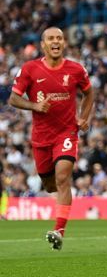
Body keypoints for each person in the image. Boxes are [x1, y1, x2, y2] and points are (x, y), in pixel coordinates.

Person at [9, 27, 95, 250]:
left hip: (67, 133)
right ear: (43, 45)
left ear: (64, 43)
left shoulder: (76, 69)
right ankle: (61, 201)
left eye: (59, 38)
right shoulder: (30, 69)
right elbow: (14, 99)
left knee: (63, 177)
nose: (55, 42)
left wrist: (84, 117)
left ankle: (59, 230)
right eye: (50, 38)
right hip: (41, 138)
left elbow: (89, 92)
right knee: (50, 184)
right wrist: (35, 105)